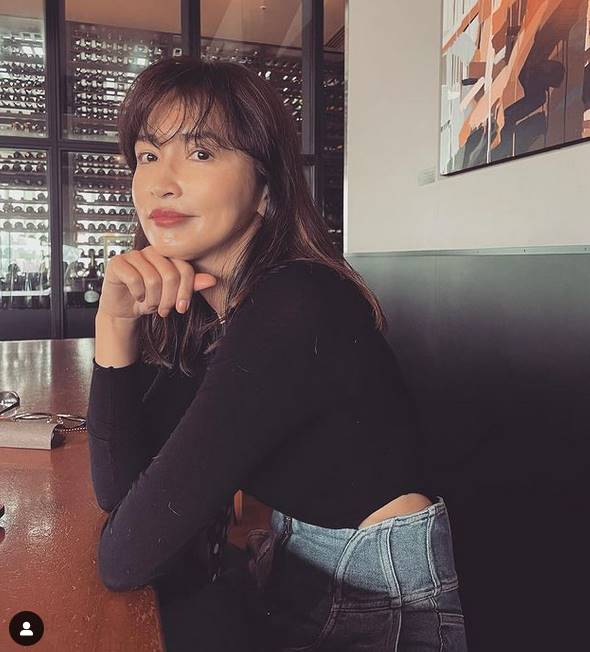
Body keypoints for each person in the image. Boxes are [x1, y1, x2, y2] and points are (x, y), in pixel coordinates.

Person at [86, 55, 468, 651]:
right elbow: (122, 495)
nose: (162, 181)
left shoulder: (293, 304)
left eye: (201, 152)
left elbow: (125, 555)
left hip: (378, 602)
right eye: (147, 155)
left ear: (266, 188)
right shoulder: (214, 310)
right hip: (303, 570)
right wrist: (114, 325)